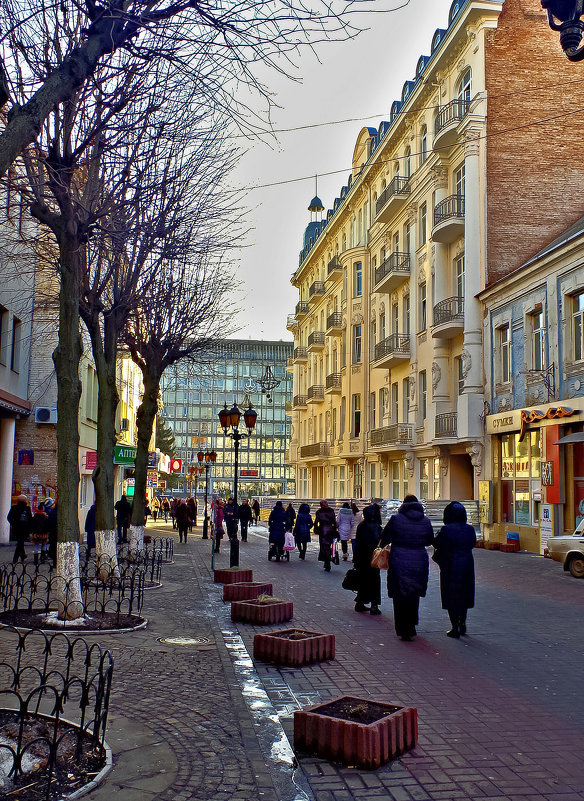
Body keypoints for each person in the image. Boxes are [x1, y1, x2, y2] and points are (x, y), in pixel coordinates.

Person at [381, 494, 433, 641]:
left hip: (399, 559)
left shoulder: (396, 519)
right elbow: (429, 540)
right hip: (419, 561)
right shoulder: (425, 521)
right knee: (414, 593)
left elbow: (385, 537)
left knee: (399, 594)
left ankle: (402, 628)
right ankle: (411, 625)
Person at [433, 502, 476, 638]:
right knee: (464, 594)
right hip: (467, 563)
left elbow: (438, 544)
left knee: (451, 595)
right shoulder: (470, 529)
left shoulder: (446, 530)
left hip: (450, 565)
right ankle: (462, 623)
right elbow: (473, 543)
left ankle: (454, 627)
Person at [353, 503, 382, 615]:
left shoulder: (362, 525)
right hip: (373, 558)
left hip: (361, 557)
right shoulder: (376, 527)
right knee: (374, 581)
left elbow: (358, 543)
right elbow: (378, 541)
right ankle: (374, 605)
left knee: (363, 580)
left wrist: (355, 559)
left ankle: (360, 602)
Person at [314, 500, 338, 572]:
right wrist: (335, 529)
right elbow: (334, 521)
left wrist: (316, 529)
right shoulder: (331, 511)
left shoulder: (319, 512)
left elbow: (316, 522)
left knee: (324, 547)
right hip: (330, 530)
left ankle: (327, 562)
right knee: (328, 546)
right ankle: (327, 562)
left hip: (323, 530)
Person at [8, 494, 32, 564]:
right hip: (24, 529)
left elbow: (9, 517)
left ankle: (23, 555)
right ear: (25, 500)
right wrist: (30, 528)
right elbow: (30, 519)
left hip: (16, 529)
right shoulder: (27, 508)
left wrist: (13, 524)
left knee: (20, 542)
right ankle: (15, 559)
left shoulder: (14, 508)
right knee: (20, 543)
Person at [30, 501, 49, 566]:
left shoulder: (35, 516)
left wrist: (32, 532)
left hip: (36, 533)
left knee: (36, 546)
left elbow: (32, 525)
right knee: (44, 545)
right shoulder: (45, 517)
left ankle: (35, 560)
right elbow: (47, 526)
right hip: (44, 533)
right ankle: (42, 558)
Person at [44, 498, 58, 564]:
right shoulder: (52, 512)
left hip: (51, 530)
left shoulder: (51, 512)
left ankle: (49, 555)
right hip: (53, 531)